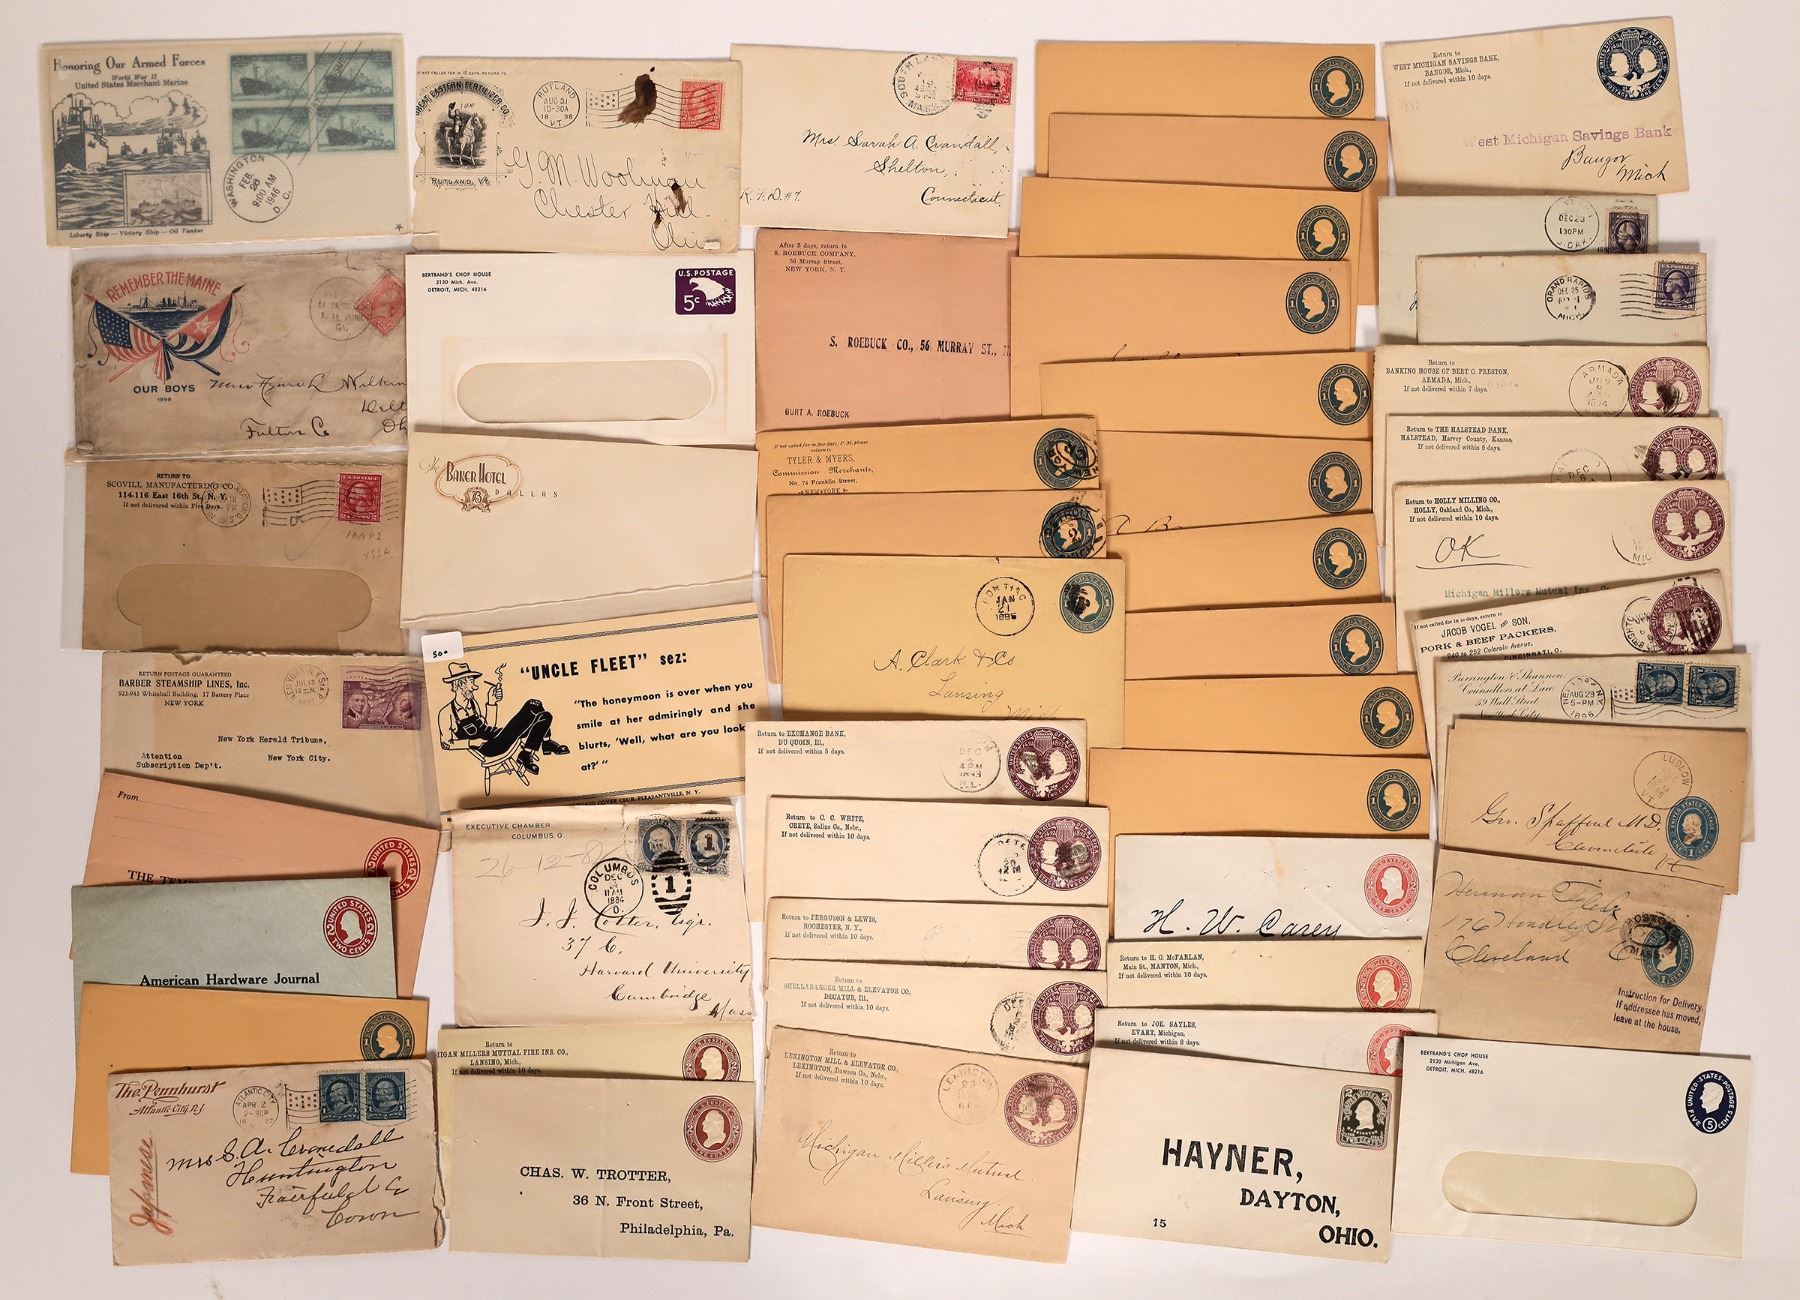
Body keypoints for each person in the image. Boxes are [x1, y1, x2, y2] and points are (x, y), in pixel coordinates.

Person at [436, 662, 568, 776]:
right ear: (461, 684)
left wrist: (491, 702)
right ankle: (530, 751)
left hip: (498, 736)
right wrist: (471, 743)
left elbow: (487, 725)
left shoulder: (472, 703)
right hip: (489, 747)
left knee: (538, 708)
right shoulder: (446, 713)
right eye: (471, 680)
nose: (474, 683)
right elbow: (446, 744)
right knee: (539, 711)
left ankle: (540, 746)